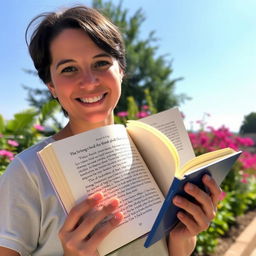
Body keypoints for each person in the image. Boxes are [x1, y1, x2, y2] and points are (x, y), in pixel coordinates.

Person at [0, 5, 221, 256]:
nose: (89, 81)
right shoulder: (27, 171)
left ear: (121, 71)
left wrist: (184, 235)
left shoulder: (153, 149)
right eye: (69, 68)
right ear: (51, 85)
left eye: (101, 62)